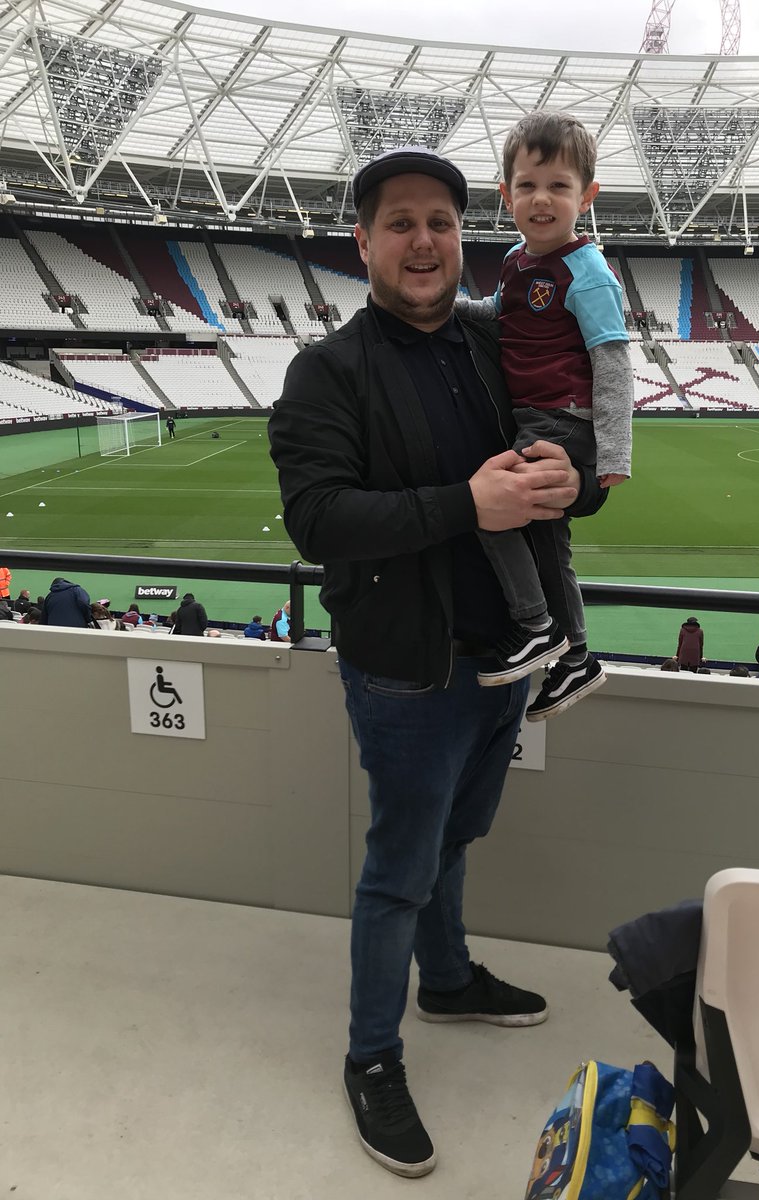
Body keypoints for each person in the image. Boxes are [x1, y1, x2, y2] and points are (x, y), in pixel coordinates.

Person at [268, 145, 603, 1179]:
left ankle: (449, 979)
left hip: (508, 656)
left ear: (465, 240)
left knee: (460, 832)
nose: (424, 241)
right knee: (399, 869)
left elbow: (578, 461)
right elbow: (317, 519)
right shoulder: (325, 371)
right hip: (407, 672)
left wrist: (569, 474)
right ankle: (373, 1055)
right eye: (401, 222)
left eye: (442, 224)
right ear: (362, 241)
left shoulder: (501, 340)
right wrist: (467, 504)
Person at [454, 111, 632, 720]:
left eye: (558, 186)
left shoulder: (588, 272)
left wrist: (614, 455)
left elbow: (612, 366)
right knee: (548, 542)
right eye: (528, 185)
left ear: (587, 195)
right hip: (533, 416)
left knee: (489, 507)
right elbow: (501, 313)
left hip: (560, 418)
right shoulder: (516, 260)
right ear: (506, 196)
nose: (542, 199)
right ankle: (576, 657)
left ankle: (537, 627)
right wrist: (451, 310)